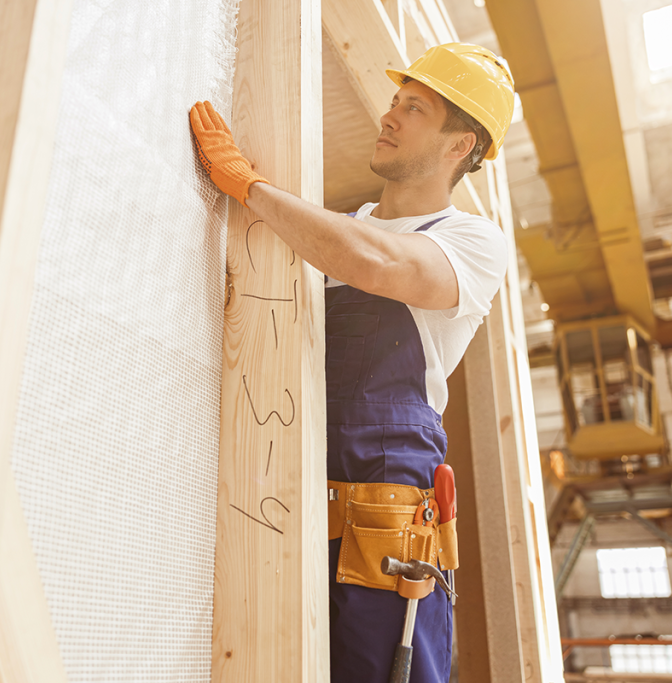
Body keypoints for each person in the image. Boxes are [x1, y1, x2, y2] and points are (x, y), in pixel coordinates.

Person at [189, 43, 515, 683]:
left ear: (459, 146)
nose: (388, 117)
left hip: (382, 522)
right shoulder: (329, 230)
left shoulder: (469, 241)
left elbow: (379, 264)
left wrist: (251, 189)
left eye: (413, 108)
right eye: (394, 103)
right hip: (284, 496)